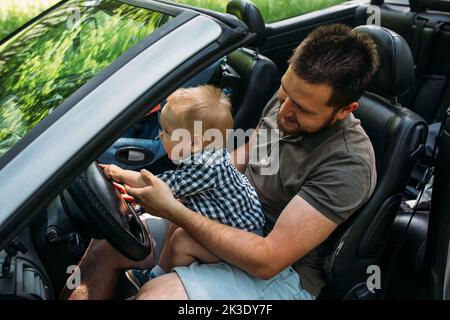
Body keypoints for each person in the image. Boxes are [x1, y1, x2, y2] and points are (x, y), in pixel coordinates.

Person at [65, 23, 380, 300]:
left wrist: (175, 210)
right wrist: (190, 182)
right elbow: (239, 159)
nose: (285, 113)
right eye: (285, 95)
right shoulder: (291, 100)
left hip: (283, 277)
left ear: (344, 109)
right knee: (108, 240)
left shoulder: (348, 164)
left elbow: (268, 258)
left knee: (156, 297)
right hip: (231, 222)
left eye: (303, 110)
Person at [100, 84, 265, 283]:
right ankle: (156, 274)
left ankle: (169, 282)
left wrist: (117, 172)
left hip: (239, 242)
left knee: (182, 243)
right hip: (232, 225)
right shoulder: (208, 154)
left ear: (194, 142)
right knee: (176, 222)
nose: (161, 136)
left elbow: (155, 184)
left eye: (167, 132)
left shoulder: (203, 169)